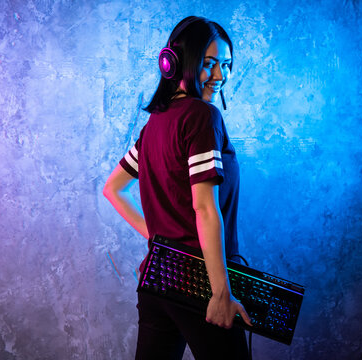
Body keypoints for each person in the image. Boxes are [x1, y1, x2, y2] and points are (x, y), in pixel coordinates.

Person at [103, 16, 252, 359]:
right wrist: (220, 293)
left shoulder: (156, 122)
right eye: (209, 64)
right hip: (197, 284)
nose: (220, 75)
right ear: (180, 64)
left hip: (157, 278)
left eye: (226, 65)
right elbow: (204, 207)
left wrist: (159, 239)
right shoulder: (202, 116)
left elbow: (113, 188)